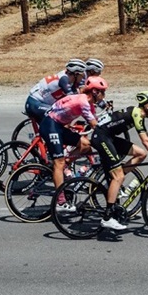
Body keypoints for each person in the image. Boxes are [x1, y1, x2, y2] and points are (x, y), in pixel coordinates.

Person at [91, 90, 148, 231]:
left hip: (108, 137)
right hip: (102, 137)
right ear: (147, 106)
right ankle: (107, 218)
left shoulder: (138, 114)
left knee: (141, 154)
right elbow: (145, 141)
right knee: (119, 177)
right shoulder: (137, 114)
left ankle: (116, 177)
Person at [41, 76, 108, 210]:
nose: (104, 95)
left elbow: (96, 122)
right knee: (58, 163)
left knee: (85, 145)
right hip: (50, 125)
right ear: (95, 92)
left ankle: (64, 167)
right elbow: (95, 125)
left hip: (59, 126)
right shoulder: (83, 102)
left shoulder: (89, 103)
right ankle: (60, 201)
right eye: (103, 92)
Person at [25, 59, 88, 125]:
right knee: (57, 115)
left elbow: (78, 95)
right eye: (82, 75)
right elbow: (72, 97)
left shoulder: (71, 80)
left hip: (43, 103)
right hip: (34, 103)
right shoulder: (64, 79)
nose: (83, 78)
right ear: (76, 74)